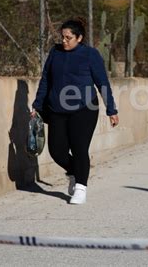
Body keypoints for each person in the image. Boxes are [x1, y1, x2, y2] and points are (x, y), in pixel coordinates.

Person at [31, 19, 119, 204]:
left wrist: (111, 109)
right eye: (62, 37)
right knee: (56, 151)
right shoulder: (55, 52)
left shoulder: (90, 55)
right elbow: (46, 79)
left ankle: (81, 187)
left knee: (79, 149)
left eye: (68, 38)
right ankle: (74, 172)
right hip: (57, 108)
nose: (64, 41)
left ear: (79, 38)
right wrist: (37, 105)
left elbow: (102, 83)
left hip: (85, 108)